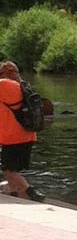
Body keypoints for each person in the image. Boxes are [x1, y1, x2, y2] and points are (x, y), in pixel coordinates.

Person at [0, 61, 44, 202]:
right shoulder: (24, 86)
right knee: (12, 169)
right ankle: (13, 192)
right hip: (28, 135)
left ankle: (30, 192)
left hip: (12, 137)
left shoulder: (3, 85)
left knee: (8, 170)